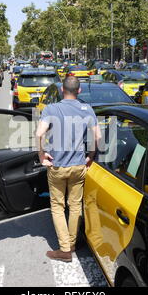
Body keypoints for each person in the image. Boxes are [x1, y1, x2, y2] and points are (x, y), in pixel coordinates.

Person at [36, 76, 101, 263]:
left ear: (62, 90)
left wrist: (41, 156)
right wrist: (91, 156)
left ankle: (64, 249)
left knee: (57, 206)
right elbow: (97, 136)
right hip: (79, 166)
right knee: (75, 206)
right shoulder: (87, 109)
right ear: (79, 91)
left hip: (57, 166)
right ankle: (71, 244)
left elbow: (39, 133)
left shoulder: (51, 109)